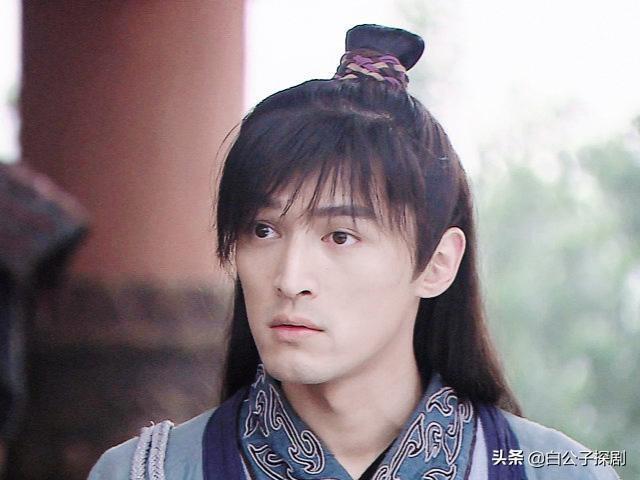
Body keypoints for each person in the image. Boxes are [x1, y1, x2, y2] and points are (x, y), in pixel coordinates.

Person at [88, 24, 621, 480]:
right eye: (263, 230)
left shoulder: (561, 470)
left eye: (340, 236)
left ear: (438, 263)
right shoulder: (146, 471)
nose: (290, 278)